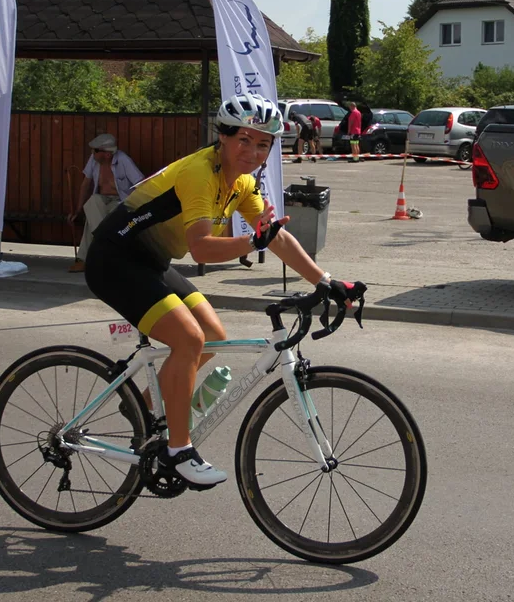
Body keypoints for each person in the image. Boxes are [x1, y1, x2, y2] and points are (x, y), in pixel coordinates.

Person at [84, 93, 359, 488]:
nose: (252, 151)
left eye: (263, 143)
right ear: (224, 138)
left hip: (151, 261)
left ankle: (143, 411)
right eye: (244, 140)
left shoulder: (242, 182)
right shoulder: (201, 172)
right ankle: (179, 450)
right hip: (114, 258)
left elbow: (276, 239)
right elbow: (201, 249)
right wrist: (253, 243)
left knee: (213, 336)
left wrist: (325, 281)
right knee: (189, 338)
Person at [68, 134, 144, 272]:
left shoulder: (123, 160)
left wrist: (135, 207)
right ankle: (100, 248)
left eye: (96, 150)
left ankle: (87, 258)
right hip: (102, 199)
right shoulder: (94, 160)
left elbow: (140, 183)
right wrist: (78, 210)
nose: (92, 153)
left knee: (92, 222)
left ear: (107, 154)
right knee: (92, 203)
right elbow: (85, 184)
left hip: (121, 201)